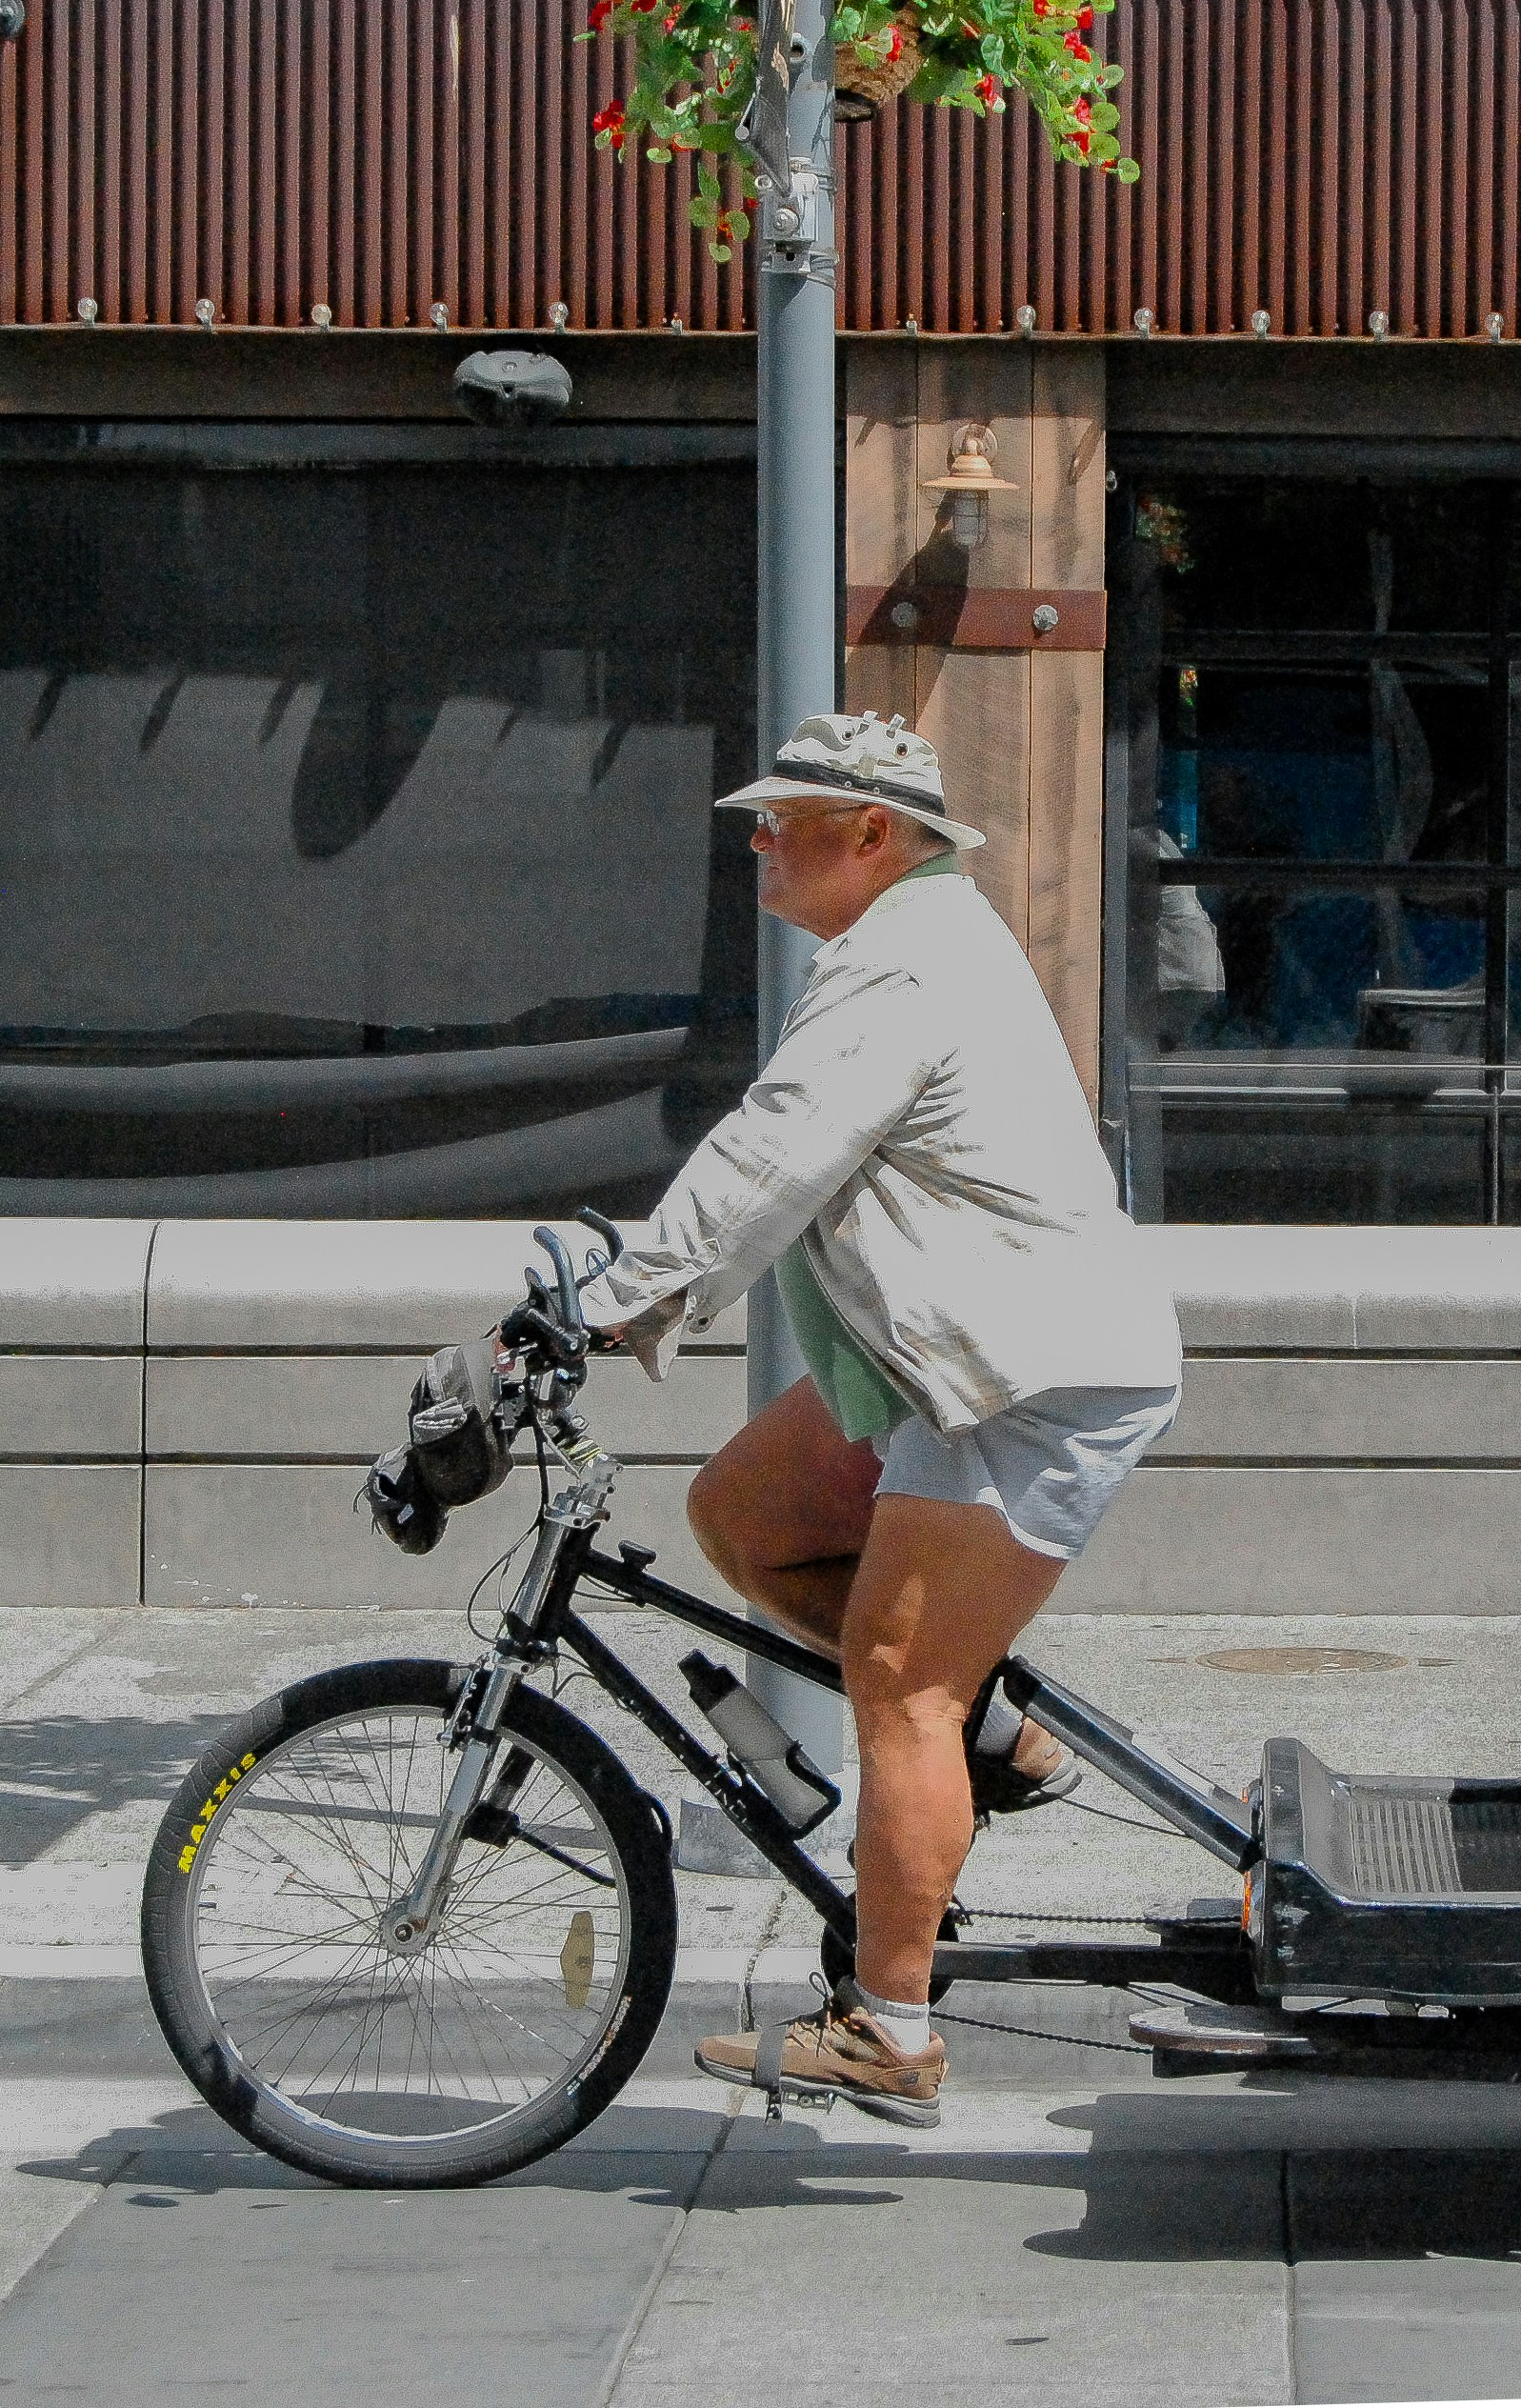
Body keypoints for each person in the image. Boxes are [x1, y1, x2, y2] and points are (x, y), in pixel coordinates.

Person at [578, 711, 1183, 2128]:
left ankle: (890, 2029)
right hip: (963, 1354)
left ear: (869, 836)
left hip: (1027, 1374)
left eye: (779, 818)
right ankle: (1003, 1743)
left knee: (899, 1686)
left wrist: (610, 1306)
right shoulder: (903, 943)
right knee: (741, 1515)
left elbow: (769, 1153)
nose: (754, 839)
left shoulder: (906, 961)